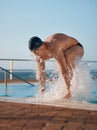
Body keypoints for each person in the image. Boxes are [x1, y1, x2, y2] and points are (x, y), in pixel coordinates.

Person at [28, 33, 84, 98]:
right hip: (63, 49)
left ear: (42, 46)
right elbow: (41, 73)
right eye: (33, 52)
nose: (35, 54)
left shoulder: (54, 47)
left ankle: (70, 92)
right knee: (60, 65)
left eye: (36, 51)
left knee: (67, 58)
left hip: (76, 47)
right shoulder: (39, 56)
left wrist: (68, 91)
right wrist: (42, 91)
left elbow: (64, 69)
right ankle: (69, 88)